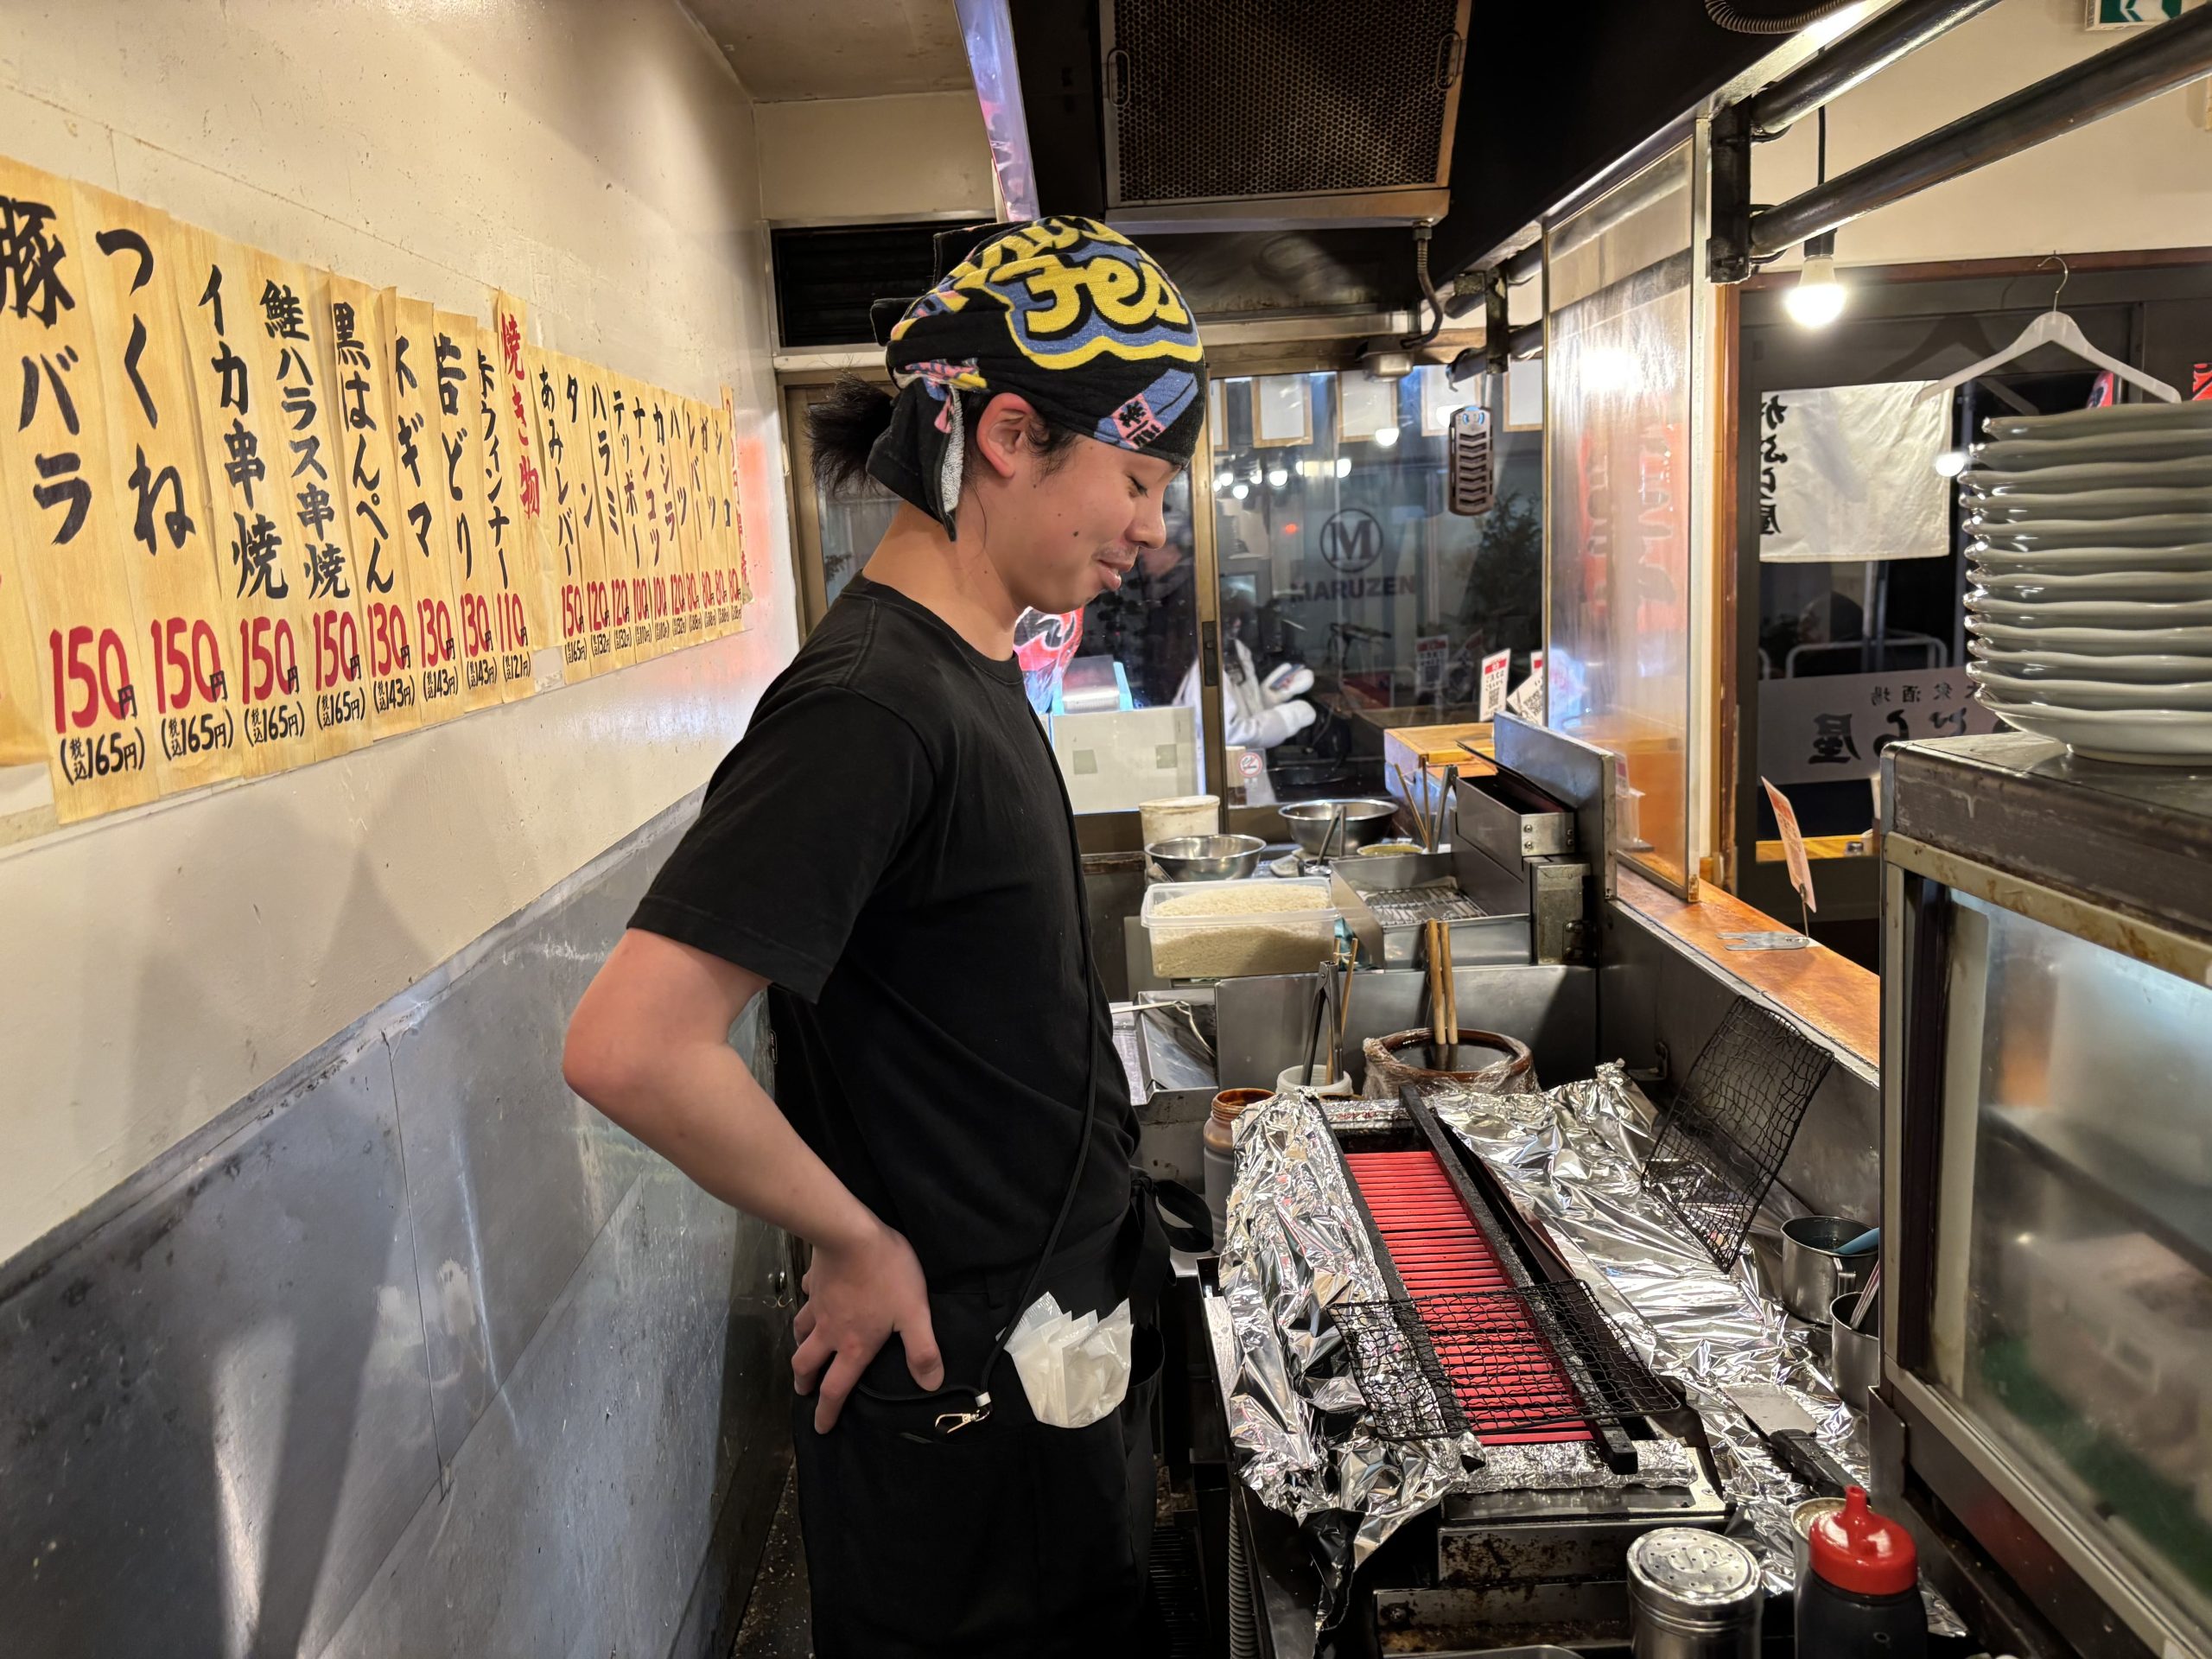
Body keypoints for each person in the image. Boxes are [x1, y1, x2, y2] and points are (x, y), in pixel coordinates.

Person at [562, 216, 1208, 1659]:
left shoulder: (975, 669)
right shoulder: (874, 704)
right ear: (1008, 436)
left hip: (1033, 1382)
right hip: (961, 1427)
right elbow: (630, 1045)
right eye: (1138, 476)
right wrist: (848, 1237)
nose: (1153, 527)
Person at [1174, 599, 1316, 806]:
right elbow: (1228, 733)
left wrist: (1271, 698)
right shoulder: (1205, 670)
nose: (1238, 626)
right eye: (1231, 621)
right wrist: (1286, 718)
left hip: (1245, 771)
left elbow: (1242, 713)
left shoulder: (1237, 655)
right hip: (1219, 776)